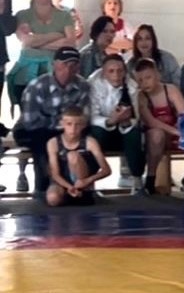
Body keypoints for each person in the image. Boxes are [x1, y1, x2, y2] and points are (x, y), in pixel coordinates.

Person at [12, 46, 90, 196]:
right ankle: (43, 189)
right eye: (64, 64)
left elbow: (83, 118)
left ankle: (80, 186)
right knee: (43, 143)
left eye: (73, 65)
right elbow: (31, 121)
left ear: (78, 68)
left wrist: (67, 127)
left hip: (67, 129)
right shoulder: (37, 86)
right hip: (32, 130)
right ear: (54, 65)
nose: (68, 69)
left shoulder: (83, 86)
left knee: (85, 139)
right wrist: (64, 124)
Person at [9, 0, 79, 118]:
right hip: (25, 74)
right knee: (28, 118)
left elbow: (70, 42)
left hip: (56, 74)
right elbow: (26, 41)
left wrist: (37, 41)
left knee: (55, 118)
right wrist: (56, 35)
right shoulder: (23, 15)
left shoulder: (64, 15)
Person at [87, 53, 145, 191]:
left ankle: (137, 179)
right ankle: (89, 181)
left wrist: (126, 122)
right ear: (104, 72)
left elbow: (136, 116)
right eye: (111, 71)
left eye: (120, 71)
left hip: (123, 128)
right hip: (102, 127)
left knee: (134, 134)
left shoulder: (132, 87)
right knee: (96, 135)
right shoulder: (93, 84)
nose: (116, 75)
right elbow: (91, 116)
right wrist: (110, 121)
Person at [135, 58, 184, 195]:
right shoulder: (141, 96)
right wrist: (176, 131)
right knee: (157, 134)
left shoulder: (171, 90)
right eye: (140, 80)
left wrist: (183, 131)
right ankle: (150, 179)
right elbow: (151, 122)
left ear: (158, 75)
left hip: (174, 134)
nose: (144, 83)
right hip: (153, 138)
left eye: (148, 78)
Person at [44, 106, 111, 206]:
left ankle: (82, 192)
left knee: (73, 155)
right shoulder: (53, 143)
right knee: (52, 198)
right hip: (62, 182)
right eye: (69, 124)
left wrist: (87, 181)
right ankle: (71, 195)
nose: (73, 129)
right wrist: (69, 187)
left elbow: (106, 170)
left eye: (77, 125)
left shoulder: (90, 142)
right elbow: (55, 174)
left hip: (83, 181)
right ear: (62, 124)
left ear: (84, 125)